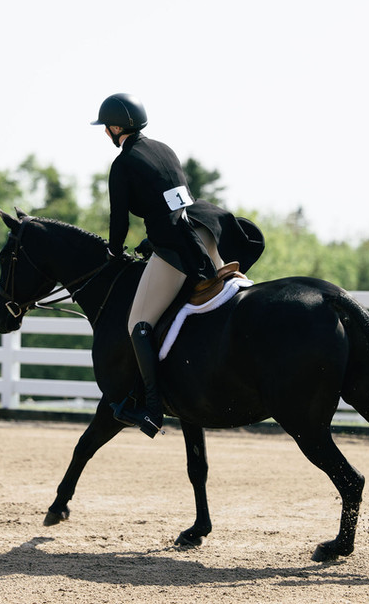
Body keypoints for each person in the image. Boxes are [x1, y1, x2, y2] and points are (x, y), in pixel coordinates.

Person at [91, 93, 264, 438]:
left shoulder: (123, 164)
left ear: (114, 128)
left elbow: (119, 221)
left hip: (177, 247)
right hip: (204, 229)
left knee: (139, 323)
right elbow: (172, 202)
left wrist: (114, 252)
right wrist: (150, 242)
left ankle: (153, 409)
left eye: (105, 128)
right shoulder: (164, 149)